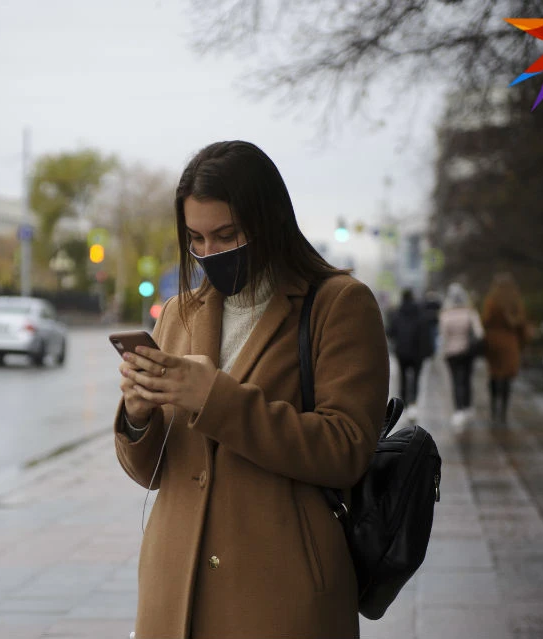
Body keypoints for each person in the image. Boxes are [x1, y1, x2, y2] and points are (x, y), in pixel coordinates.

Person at [113, 141, 389, 638]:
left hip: (279, 595)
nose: (209, 254)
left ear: (268, 222)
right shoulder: (180, 312)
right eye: (196, 238)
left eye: (226, 235)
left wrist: (213, 397)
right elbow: (151, 474)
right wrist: (137, 416)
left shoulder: (339, 305)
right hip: (173, 594)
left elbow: (346, 449)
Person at [482, 272, 527, 426]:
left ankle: (494, 407)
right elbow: (522, 325)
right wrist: (521, 342)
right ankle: (503, 411)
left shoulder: (491, 301)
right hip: (510, 343)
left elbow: (485, 321)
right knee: (507, 376)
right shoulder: (515, 301)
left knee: (494, 375)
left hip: (494, 342)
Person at [439, 282, 484, 432]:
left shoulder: (445, 314)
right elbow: (479, 333)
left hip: (451, 353)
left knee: (456, 381)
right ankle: (467, 406)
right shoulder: (470, 313)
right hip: (468, 352)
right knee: (466, 379)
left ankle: (458, 410)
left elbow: (443, 336)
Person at [386, 289, 430, 420]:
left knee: (403, 378)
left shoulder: (397, 313)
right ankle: (413, 404)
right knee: (416, 378)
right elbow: (425, 332)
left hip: (402, 352)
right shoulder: (420, 312)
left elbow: (391, 332)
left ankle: (404, 405)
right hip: (417, 352)